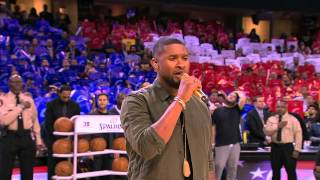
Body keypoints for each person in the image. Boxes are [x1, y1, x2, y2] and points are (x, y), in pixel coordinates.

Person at [120, 37, 214, 179]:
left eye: (184, 58)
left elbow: (208, 160)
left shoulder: (200, 104)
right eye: (173, 58)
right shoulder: (136, 101)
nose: (181, 64)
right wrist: (180, 99)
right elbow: (147, 148)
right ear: (155, 64)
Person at [0, 74, 45, 180]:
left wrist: (38, 140)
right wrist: (21, 107)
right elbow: (4, 121)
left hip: (26, 137)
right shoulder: (3, 100)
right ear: (9, 84)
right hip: (9, 137)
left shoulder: (29, 99)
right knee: (4, 172)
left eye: (19, 82)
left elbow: (35, 121)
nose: (17, 84)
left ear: (22, 84)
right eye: (14, 82)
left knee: (28, 172)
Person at [44, 85, 80, 180]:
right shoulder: (51, 105)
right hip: (54, 140)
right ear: (59, 94)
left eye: (68, 97)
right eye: (64, 97)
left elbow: (76, 124)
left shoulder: (75, 106)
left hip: (70, 141)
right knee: (53, 165)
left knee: (68, 166)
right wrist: (57, 138)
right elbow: (48, 124)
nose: (66, 99)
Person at [263, 100, 302, 180]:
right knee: (275, 172)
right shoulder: (271, 119)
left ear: (286, 108)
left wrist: (297, 150)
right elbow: (266, 132)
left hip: (288, 148)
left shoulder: (293, 119)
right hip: (275, 148)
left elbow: (298, 135)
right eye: (278, 107)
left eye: (282, 107)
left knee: (291, 172)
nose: (279, 109)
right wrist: (277, 127)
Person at [212, 91, 246, 180]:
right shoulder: (217, 111)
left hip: (235, 144)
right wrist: (212, 142)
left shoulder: (237, 109)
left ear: (236, 100)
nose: (232, 96)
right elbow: (213, 127)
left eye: (234, 96)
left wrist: (236, 92)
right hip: (221, 143)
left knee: (233, 168)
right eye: (231, 95)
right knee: (218, 167)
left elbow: (243, 98)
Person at [89, 93, 111, 180]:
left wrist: (116, 150)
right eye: (100, 100)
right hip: (96, 151)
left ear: (108, 102)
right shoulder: (91, 116)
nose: (102, 102)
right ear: (97, 102)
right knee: (95, 176)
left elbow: (115, 134)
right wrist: (89, 150)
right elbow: (88, 133)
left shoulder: (112, 116)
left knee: (108, 176)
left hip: (109, 151)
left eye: (104, 100)